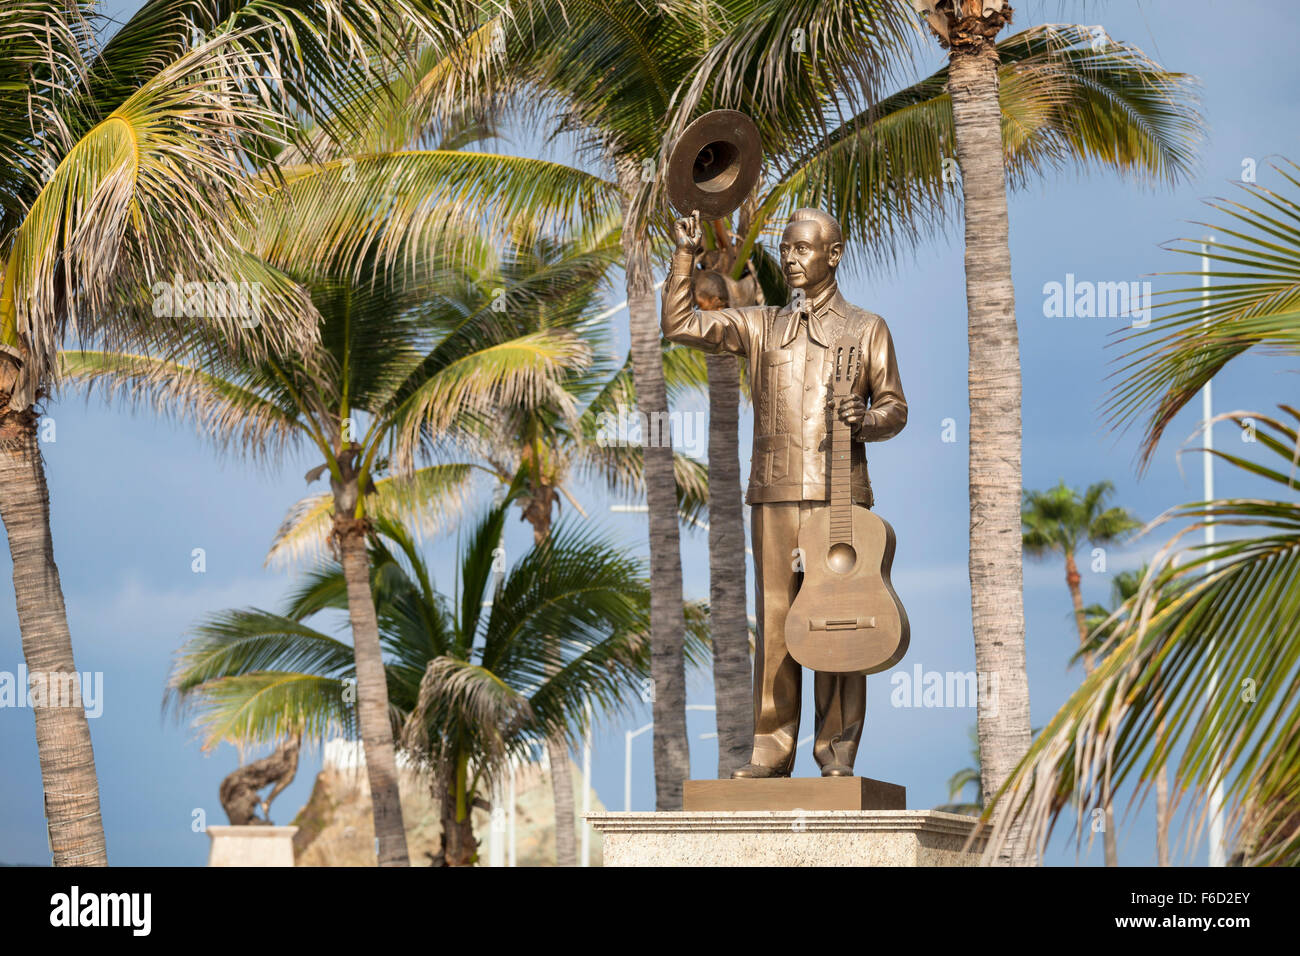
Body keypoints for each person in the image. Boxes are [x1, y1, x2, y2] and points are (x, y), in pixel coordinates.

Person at [661, 208, 907, 778]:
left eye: (803, 250)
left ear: (834, 254)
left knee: (840, 619)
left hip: (839, 496)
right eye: (787, 250)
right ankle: (771, 750)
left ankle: (837, 754)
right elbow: (679, 325)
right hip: (772, 492)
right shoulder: (760, 324)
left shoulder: (867, 328)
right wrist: (685, 257)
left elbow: (895, 407)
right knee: (776, 621)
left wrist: (866, 419)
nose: (792, 260)